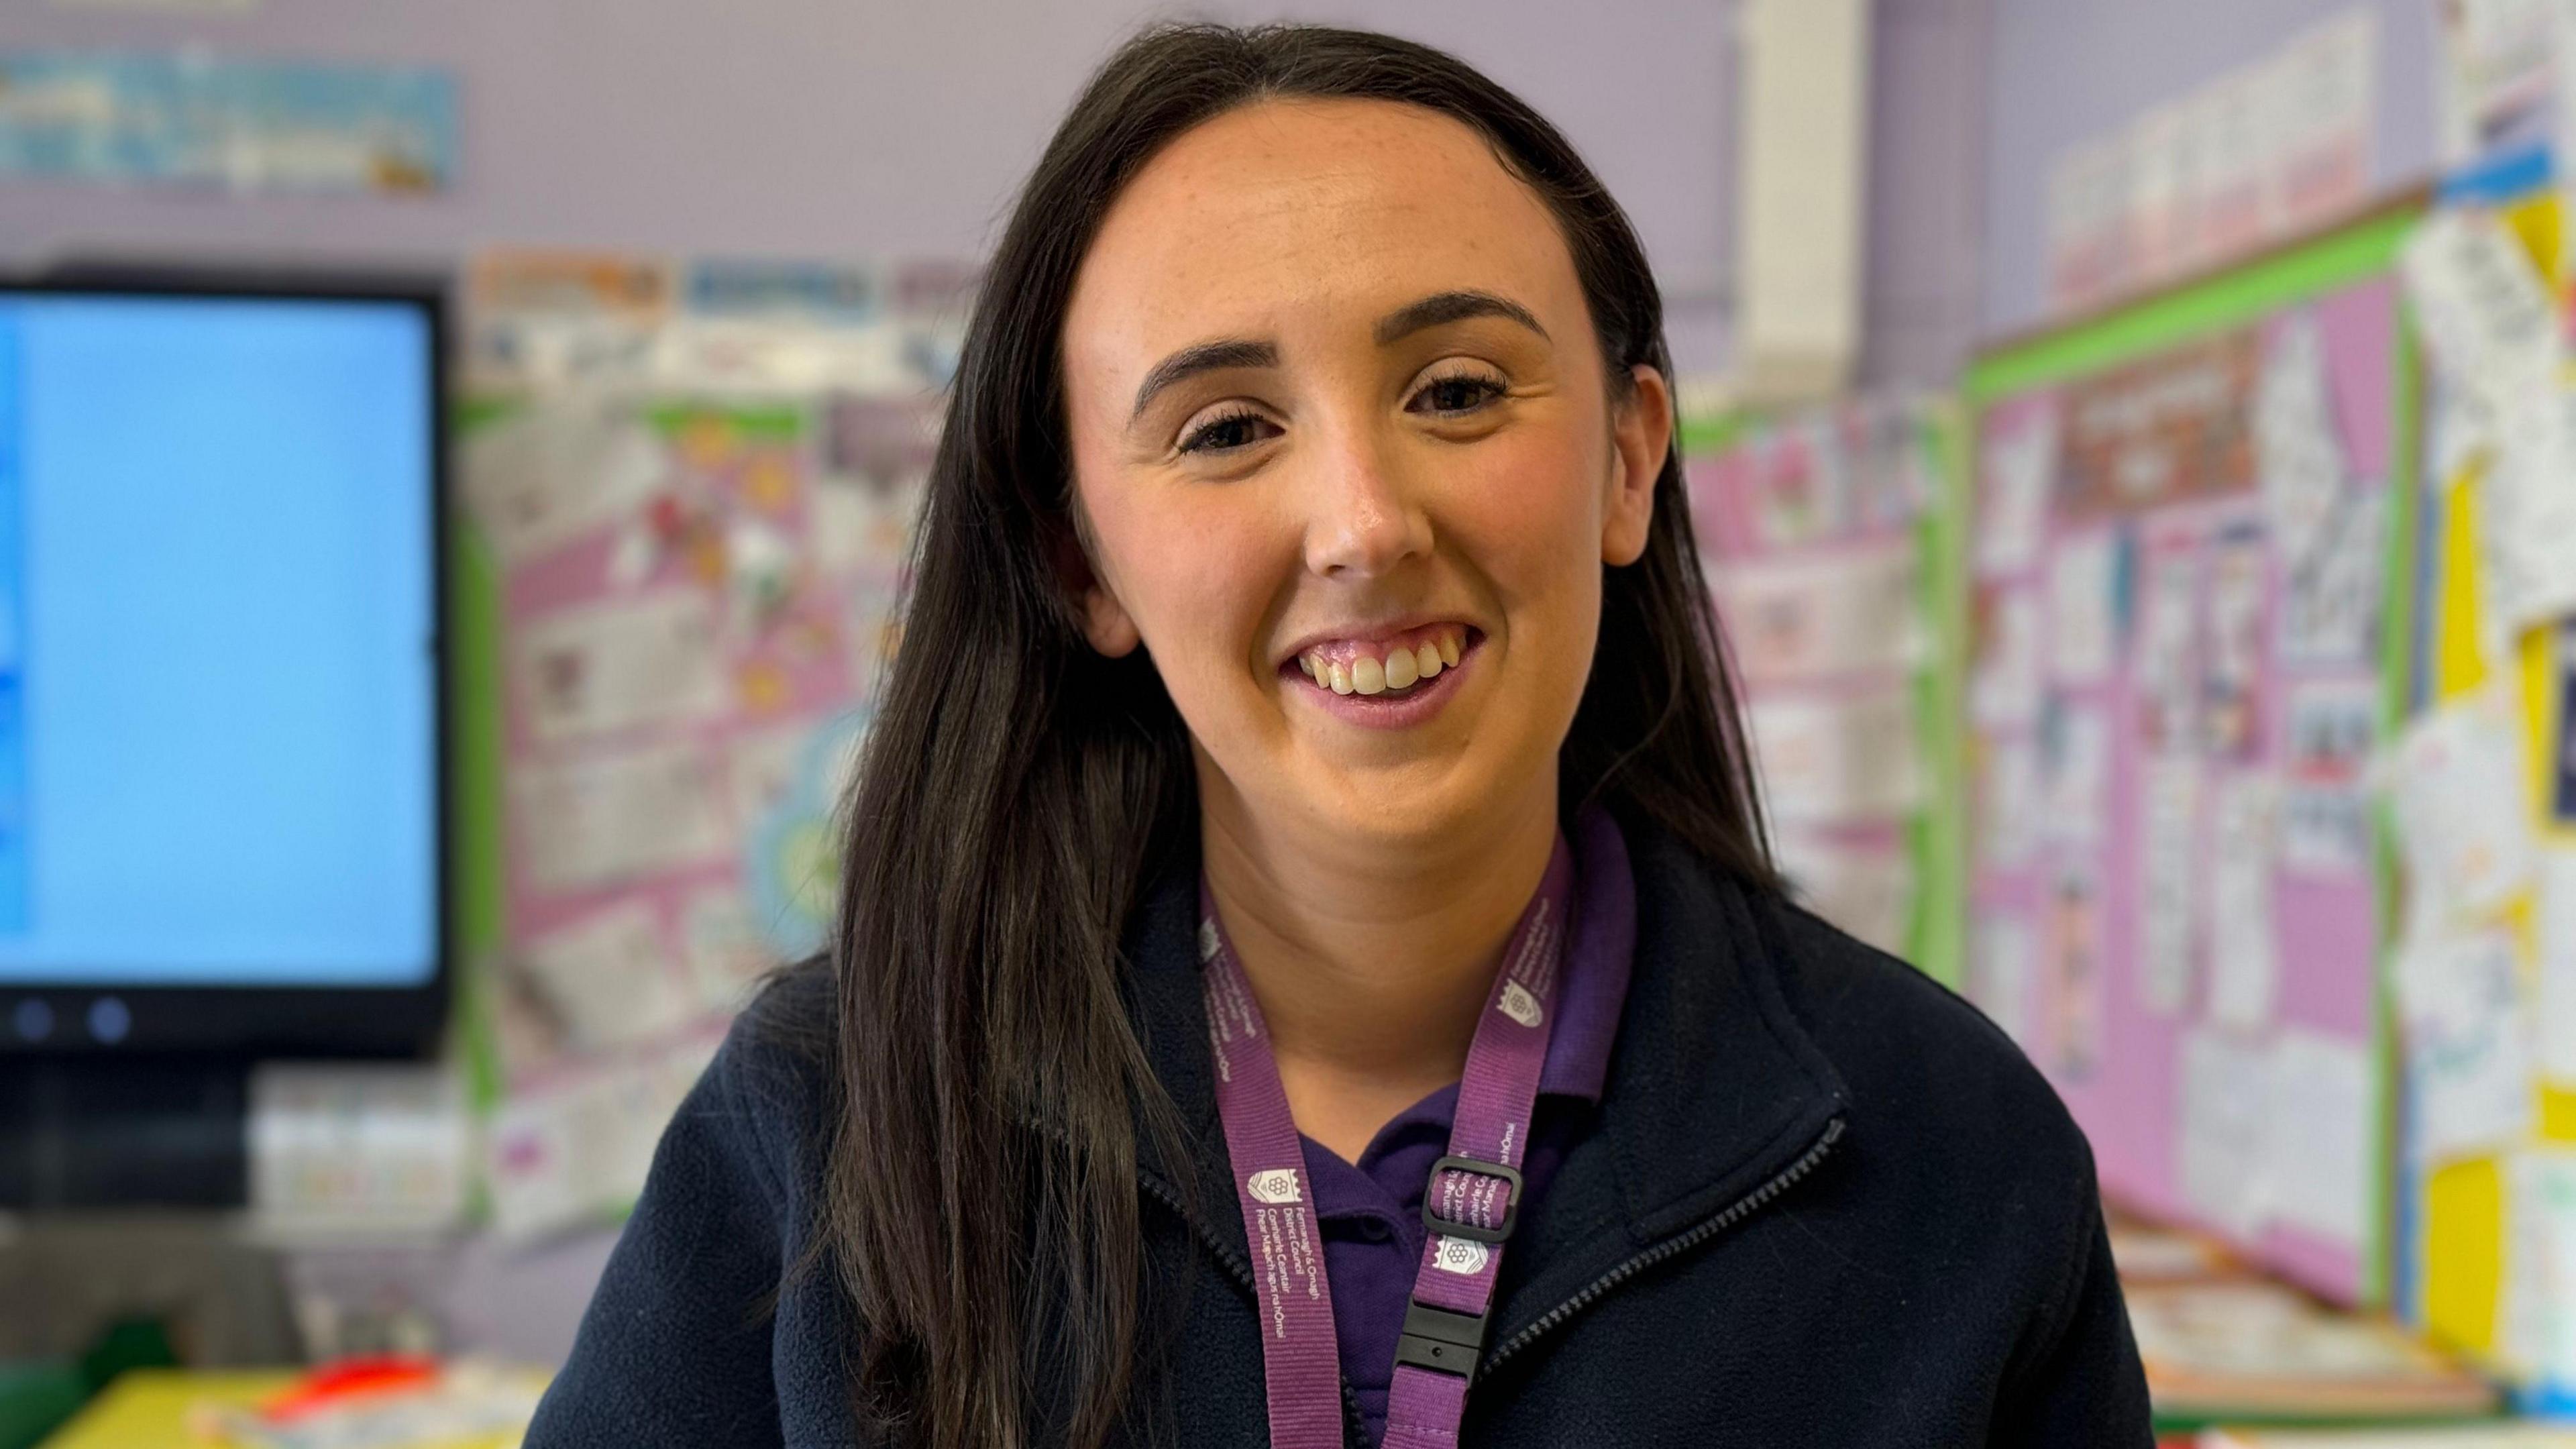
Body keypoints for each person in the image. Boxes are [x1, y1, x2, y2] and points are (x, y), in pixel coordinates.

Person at [527, 23, 2151, 1449]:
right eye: (1228, 429)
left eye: (1456, 390)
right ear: (1079, 556)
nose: (1364, 524)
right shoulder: (828, 1124)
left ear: (1630, 461)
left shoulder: (1947, 1153)